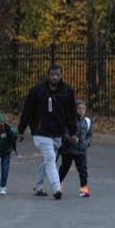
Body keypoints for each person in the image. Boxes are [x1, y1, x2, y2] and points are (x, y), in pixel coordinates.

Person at [17, 64, 75, 199]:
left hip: (57, 132)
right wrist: (21, 129)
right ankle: (56, 188)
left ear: (61, 76)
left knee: (48, 160)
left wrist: (72, 132)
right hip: (40, 131)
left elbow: (71, 114)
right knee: (50, 158)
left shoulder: (67, 92)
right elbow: (27, 110)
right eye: (52, 75)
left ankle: (38, 186)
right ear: (48, 76)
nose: (54, 77)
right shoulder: (37, 91)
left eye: (57, 75)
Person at [55, 98, 91, 197]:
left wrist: (86, 143)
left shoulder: (87, 121)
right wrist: (71, 139)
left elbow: (89, 135)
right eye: (79, 108)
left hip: (81, 150)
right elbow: (64, 133)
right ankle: (58, 185)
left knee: (83, 170)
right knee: (64, 168)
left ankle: (83, 188)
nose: (82, 110)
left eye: (83, 108)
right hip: (68, 150)